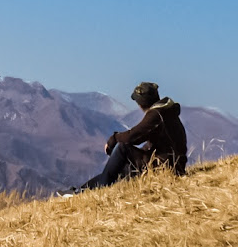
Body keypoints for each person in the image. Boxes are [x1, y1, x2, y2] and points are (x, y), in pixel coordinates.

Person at [57, 82, 187, 197]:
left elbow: (133, 136)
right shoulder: (166, 112)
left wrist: (113, 139)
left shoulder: (156, 115)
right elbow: (156, 143)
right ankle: (79, 192)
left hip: (165, 167)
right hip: (171, 164)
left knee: (122, 148)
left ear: (141, 103)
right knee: (120, 169)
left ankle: (100, 189)